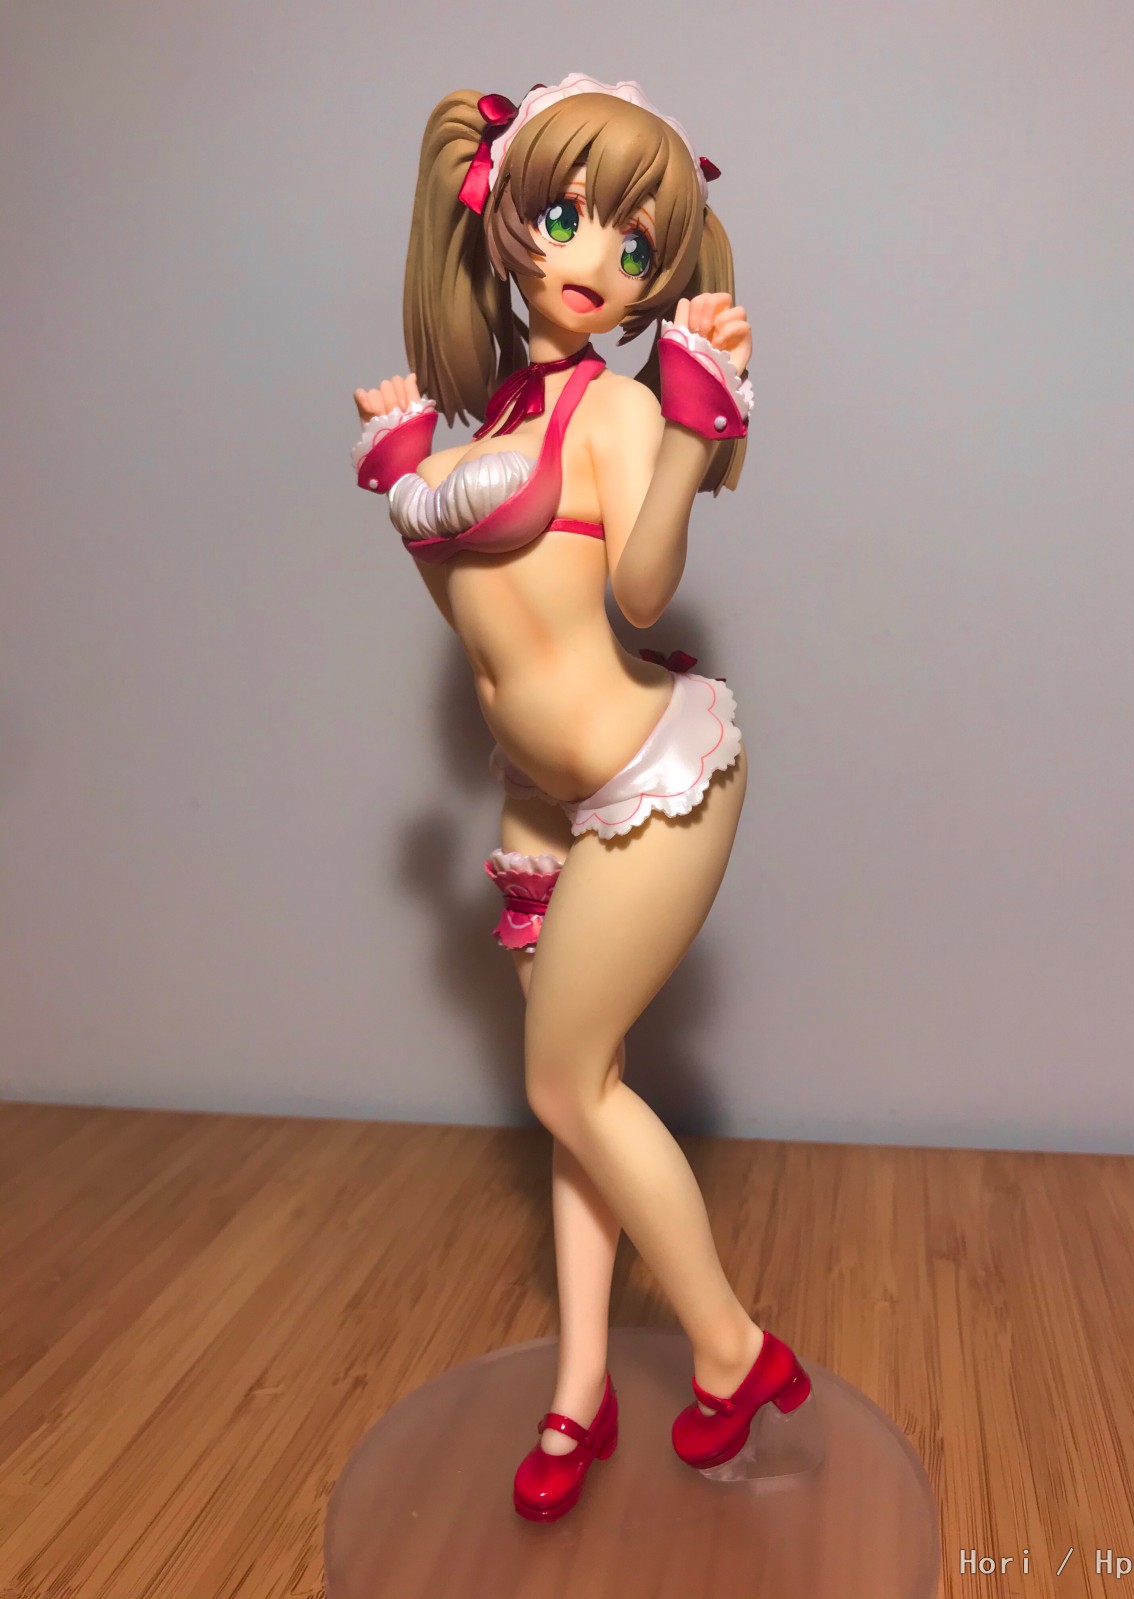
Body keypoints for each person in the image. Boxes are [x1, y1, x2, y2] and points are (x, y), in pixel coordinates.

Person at [351, 74, 811, 1523]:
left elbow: (642, 588)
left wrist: (689, 427)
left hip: (648, 779)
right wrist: (406, 484)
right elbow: (483, 627)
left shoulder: (611, 410)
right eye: (565, 218)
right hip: (536, 795)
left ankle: (731, 1351)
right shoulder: (500, 408)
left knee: (566, 1084)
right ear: (501, 217)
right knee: (581, 1099)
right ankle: (583, 1389)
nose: (594, 261)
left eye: (634, 244)